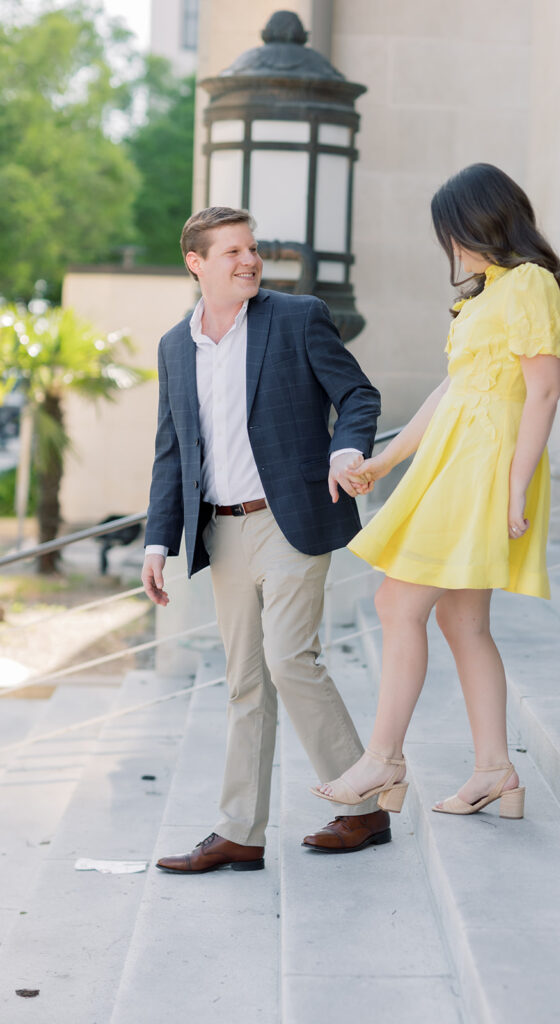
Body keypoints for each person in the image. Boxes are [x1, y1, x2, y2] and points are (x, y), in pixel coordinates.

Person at [312, 163, 560, 818]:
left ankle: (384, 759)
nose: (452, 247)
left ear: (486, 221)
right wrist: (385, 459)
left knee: (397, 602)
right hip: (455, 458)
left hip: (487, 464)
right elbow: (450, 392)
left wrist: (517, 484)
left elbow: (543, 391)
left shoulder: (528, 284)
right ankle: (496, 772)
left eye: (456, 231)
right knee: (462, 620)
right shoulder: (485, 295)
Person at [142, 206, 389, 872]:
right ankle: (240, 832)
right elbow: (173, 451)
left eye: (252, 250)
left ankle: (365, 805)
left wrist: (347, 450)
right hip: (221, 531)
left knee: (288, 659)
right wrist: (157, 542)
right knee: (245, 680)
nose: (249, 261)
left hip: (291, 519)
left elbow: (358, 395)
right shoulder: (174, 346)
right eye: (232, 252)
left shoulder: (297, 317)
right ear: (196, 263)